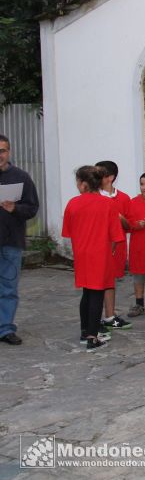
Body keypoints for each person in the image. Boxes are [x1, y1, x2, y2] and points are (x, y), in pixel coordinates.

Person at [62, 165, 125, 351]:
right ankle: (92, 336)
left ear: (82, 185)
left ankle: (84, 331)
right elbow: (116, 236)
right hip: (100, 253)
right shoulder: (108, 204)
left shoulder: (72, 203)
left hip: (81, 253)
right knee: (97, 293)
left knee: (87, 292)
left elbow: (68, 232)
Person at [0, 134, 39, 345]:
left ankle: (5, 328)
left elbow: (33, 208)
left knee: (8, 287)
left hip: (10, 241)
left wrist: (15, 208)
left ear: (9, 152)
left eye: (3, 150)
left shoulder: (21, 177)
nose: (0, 155)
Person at [95, 160, 133, 331]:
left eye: (99, 174)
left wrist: (118, 217)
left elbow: (129, 225)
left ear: (110, 177)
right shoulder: (94, 197)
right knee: (97, 281)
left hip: (116, 246)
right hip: (99, 246)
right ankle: (97, 317)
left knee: (110, 282)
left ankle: (109, 315)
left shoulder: (123, 198)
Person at [127, 172, 145, 318]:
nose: (144, 187)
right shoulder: (132, 202)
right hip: (139, 245)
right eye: (142, 184)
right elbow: (127, 223)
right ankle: (139, 303)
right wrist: (136, 224)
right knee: (139, 276)